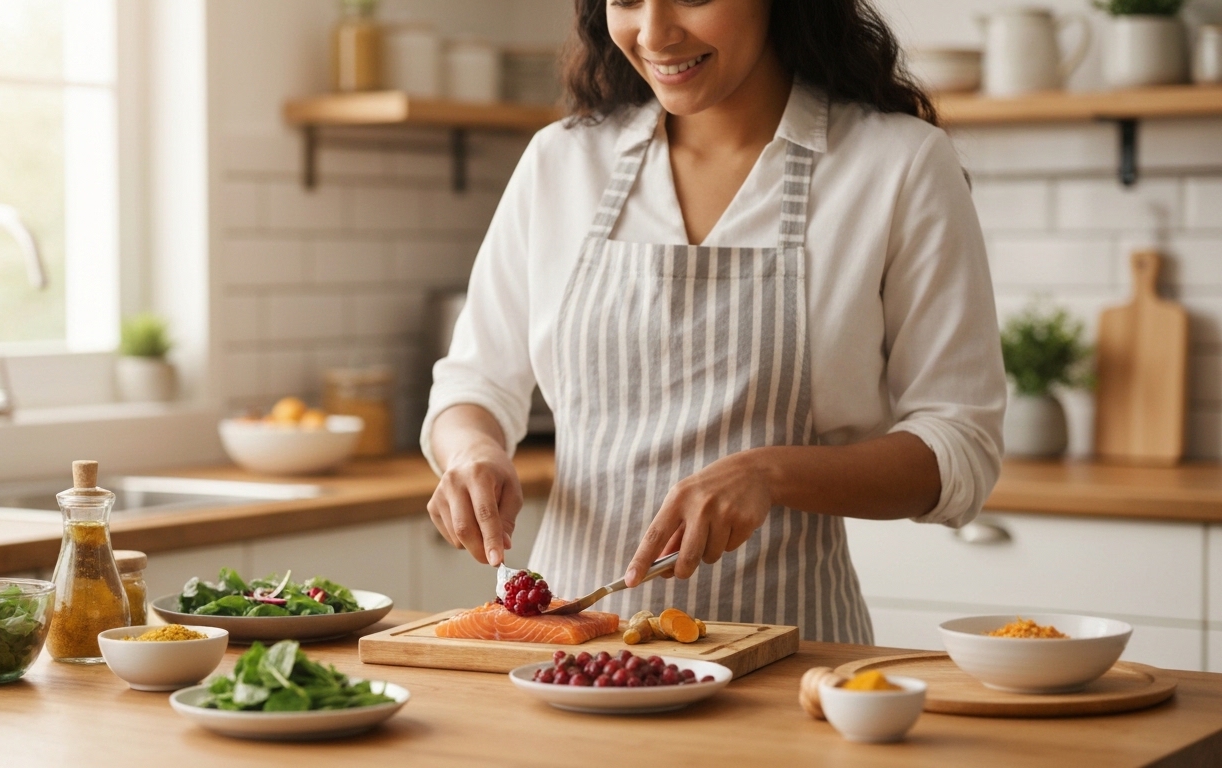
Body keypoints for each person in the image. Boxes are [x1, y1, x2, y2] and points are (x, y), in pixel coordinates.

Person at [421, 0, 1005, 643]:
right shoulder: (562, 161)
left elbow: (959, 448)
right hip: (572, 652)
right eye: (625, 0)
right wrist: (474, 452)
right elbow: (472, 386)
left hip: (789, 655)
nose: (654, 33)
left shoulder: (898, 163)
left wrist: (771, 472)